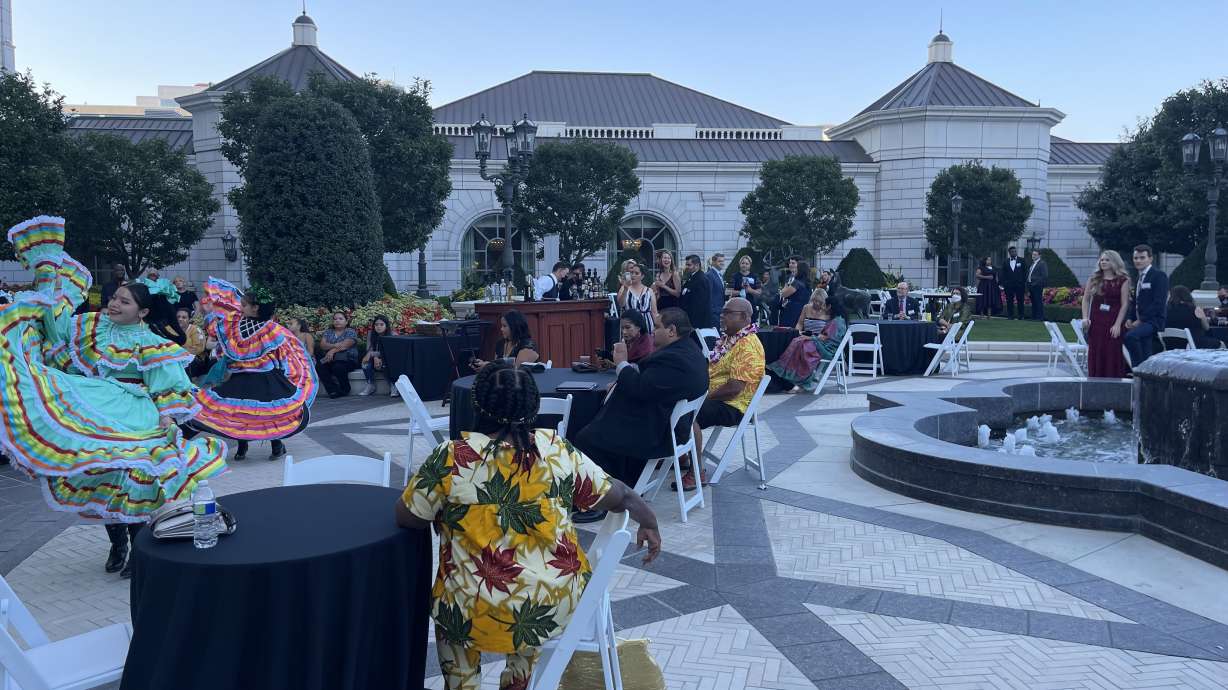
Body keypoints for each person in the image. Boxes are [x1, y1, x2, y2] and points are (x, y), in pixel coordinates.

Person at [395, 362, 661, 690]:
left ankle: (462, 684)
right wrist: (648, 520)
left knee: (457, 615)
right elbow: (617, 494)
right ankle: (519, 682)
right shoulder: (556, 453)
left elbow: (407, 516)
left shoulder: (452, 458)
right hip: (547, 601)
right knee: (532, 594)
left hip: (471, 606)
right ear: (534, 408)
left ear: (475, 405)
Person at [0, 216, 226, 578]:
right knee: (99, 471)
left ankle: (139, 548)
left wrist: (168, 418)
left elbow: (166, 385)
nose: (114, 304)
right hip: (94, 402)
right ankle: (117, 541)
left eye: (124, 301)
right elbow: (55, 331)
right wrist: (45, 295)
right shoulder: (90, 325)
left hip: (136, 410)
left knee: (134, 475)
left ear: (144, 312)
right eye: (115, 298)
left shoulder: (153, 344)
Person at [574, 308, 707, 491]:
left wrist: (621, 364)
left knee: (586, 438)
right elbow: (653, 382)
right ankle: (624, 482)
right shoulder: (690, 350)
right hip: (670, 424)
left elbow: (640, 388)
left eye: (658, 327)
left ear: (671, 331)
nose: (653, 331)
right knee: (598, 426)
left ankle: (604, 495)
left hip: (659, 433)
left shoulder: (674, 358)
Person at [189, 280, 318, 461]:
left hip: (266, 377)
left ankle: (277, 444)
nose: (240, 307)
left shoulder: (272, 329)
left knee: (270, 413)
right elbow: (220, 332)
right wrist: (211, 312)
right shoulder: (237, 324)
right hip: (241, 377)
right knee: (240, 412)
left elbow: (281, 353)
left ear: (255, 308)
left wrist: (284, 371)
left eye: (244, 305)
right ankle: (242, 445)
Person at [688, 297, 764, 489]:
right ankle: (682, 455)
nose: (722, 317)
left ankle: (697, 471)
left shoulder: (748, 345)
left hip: (733, 406)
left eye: (727, 313)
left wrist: (703, 397)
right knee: (675, 401)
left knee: (685, 413)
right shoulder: (731, 339)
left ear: (745, 317)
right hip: (719, 398)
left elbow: (734, 389)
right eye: (722, 312)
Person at [768, 292, 846, 393]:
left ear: (829, 306)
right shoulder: (837, 319)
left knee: (802, 345)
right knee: (798, 341)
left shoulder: (836, 321)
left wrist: (811, 338)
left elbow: (826, 338)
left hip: (828, 349)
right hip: (825, 345)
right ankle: (787, 371)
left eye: (823, 305)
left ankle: (798, 377)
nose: (822, 307)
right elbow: (823, 336)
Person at [1079, 250, 1131, 378]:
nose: (1103, 262)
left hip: (1113, 322)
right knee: (1096, 352)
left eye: (1107, 260)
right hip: (1096, 322)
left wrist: (1118, 324)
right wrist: (1085, 318)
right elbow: (1085, 300)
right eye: (1102, 260)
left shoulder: (1123, 280)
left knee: (1112, 353)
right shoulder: (1094, 279)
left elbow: (1124, 304)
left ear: (1114, 262)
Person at [1123, 244, 1169, 367]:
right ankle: (1143, 372)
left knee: (1131, 337)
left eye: (1142, 258)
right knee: (1144, 346)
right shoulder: (1139, 277)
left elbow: (1159, 303)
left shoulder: (1159, 276)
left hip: (1153, 321)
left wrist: (1141, 320)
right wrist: (1130, 318)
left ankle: (1138, 368)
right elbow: (1135, 301)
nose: (1138, 261)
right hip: (1141, 321)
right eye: (1136, 258)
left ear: (1150, 259)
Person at [470, 310, 540, 370]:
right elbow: (497, 365)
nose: (501, 329)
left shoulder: (527, 345)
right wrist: (483, 364)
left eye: (504, 326)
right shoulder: (500, 343)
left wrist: (488, 366)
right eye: (501, 326)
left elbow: (516, 369)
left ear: (515, 326)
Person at [617, 259, 657, 335]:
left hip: (647, 325)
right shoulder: (624, 288)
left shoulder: (649, 291)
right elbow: (621, 304)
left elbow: (654, 312)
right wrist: (625, 289)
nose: (633, 275)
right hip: (630, 325)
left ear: (642, 276)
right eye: (631, 273)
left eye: (636, 273)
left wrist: (657, 327)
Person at [360, 315, 395, 395]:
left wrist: (375, 355)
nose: (378, 327)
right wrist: (375, 357)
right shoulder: (371, 334)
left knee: (385, 364)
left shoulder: (392, 335)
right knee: (365, 364)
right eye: (376, 324)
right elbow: (369, 349)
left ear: (386, 325)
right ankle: (370, 385)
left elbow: (388, 352)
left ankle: (393, 385)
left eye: (381, 324)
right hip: (374, 359)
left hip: (388, 359)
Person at [680, 254, 714, 329]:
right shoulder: (692, 277)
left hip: (698, 321)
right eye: (686, 265)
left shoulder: (701, 279)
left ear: (697, 265)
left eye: (689, 265)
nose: (687, 267)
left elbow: (700, 304)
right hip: (691, 318)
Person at [778, 261, 812, 329]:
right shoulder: (807, 283)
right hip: (803, 309)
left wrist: (787, 284)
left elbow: (784, 294)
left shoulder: (796, 283)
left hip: (792, 310)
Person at [1002, 246, 1027, 320]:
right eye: (1012, 251)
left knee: (1020, 300)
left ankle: (1021, 316)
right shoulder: (1005, 261)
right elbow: (1003, 273)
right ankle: (1010, 315)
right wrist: (1004, 283)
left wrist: (1023, 282)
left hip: (1019, 285)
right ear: (1009, 253)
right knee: (1009, 301)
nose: (1014, 253)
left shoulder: (1022, 260)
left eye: (1015, 251)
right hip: (1009, 285)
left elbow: (1025, 272)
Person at [1026, 249, 1048, 320]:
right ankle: (1034, 317)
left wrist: (1035, 284)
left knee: (1038, 302)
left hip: (1037, 286)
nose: (1033, 256)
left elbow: (1044, 276)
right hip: (1031, 286)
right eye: (1033, 254)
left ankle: (1039, 317)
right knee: (1034, 302)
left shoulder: (1042, 263)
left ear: (1039, 255)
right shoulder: (1033, 263)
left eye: (1035, 254)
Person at [706, 253, 727, 325]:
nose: (722, 263)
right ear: (713, 262)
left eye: (723, 261)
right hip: (714, 312)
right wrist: (712, 311)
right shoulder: (709, 275)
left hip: (720, 311)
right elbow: (708, 295)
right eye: (720, 261)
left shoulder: (720, 275)